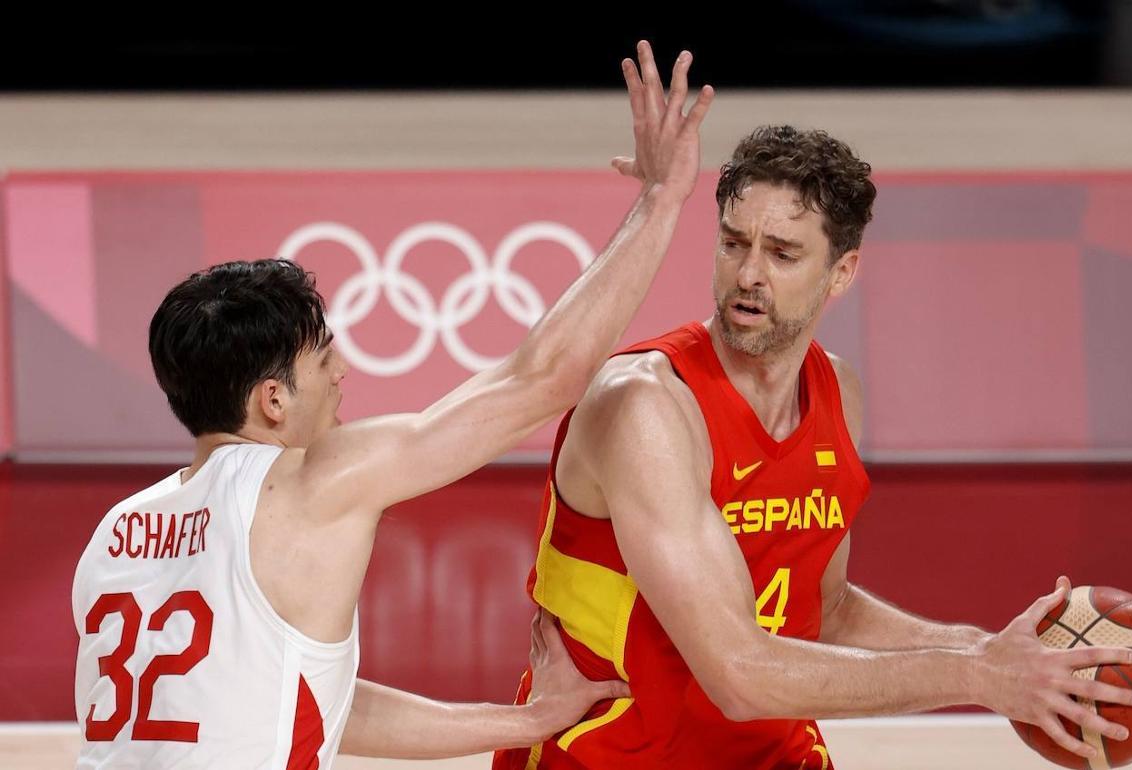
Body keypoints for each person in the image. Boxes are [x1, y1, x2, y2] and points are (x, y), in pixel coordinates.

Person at [70, 41, 713, 769]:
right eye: (323, 359)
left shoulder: (113, 535)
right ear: (273, 400)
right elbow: (543, 380)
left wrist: (524, 722)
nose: (343, 371)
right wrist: (662, 200)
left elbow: (316, 700)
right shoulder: (311, 482)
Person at [494, 125, 1132, 769]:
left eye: (782, 253)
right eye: (733, 243)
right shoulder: (646, 405)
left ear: (841, 273)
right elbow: (739, 673)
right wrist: (974, 675)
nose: (748, 273)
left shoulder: (837, 391)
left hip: (773, 755)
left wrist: (987, 651)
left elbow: (824, 610)